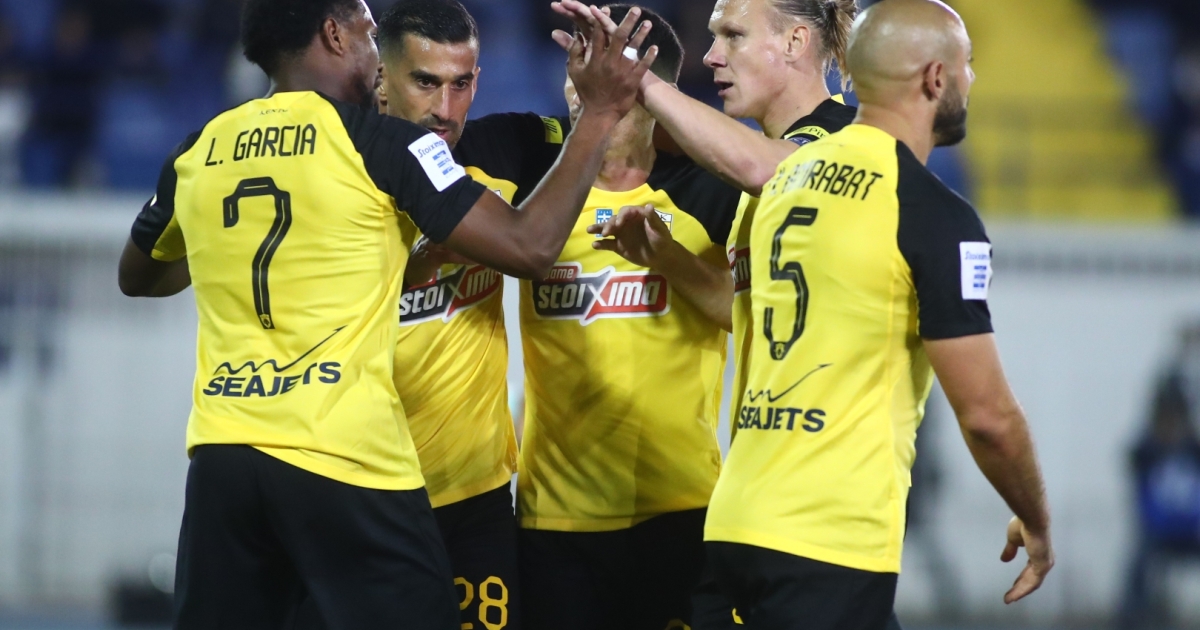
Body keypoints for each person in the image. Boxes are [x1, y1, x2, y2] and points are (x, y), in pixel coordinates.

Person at [115, 0, 658, 626]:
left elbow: (137, 275)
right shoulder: (379, 143)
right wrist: (601, 111)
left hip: (223, 457)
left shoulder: (200, 147)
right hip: (342, 455)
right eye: (370, 36)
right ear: (334, 34)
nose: (375, 60)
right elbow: (530, 247)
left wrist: (225, 250)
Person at [703, 1, 1054, 626]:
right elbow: (987, 417)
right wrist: (1037, 519)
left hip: (734, 521)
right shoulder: (929, 213)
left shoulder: (784, 182)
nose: (971, 78)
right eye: (967, 64)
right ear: (936, 77)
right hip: (827, 540)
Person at [514, 6, 743, 630]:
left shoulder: (714, 194)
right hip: (554, 523)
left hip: (684, 510)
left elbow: (749, 316)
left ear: (654, 93)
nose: (578, 92)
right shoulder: (532, 194)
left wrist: (667, 258)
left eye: (600, 76)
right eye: (574, 73)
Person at [377, 1, 570, 627]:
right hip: (365, 495)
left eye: (460, 84)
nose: (445, 108)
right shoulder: (340, 174)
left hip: (476, 502)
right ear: (381, 76)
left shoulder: (504, 150)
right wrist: (416, 266)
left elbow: (618, 139)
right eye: (425, 82)